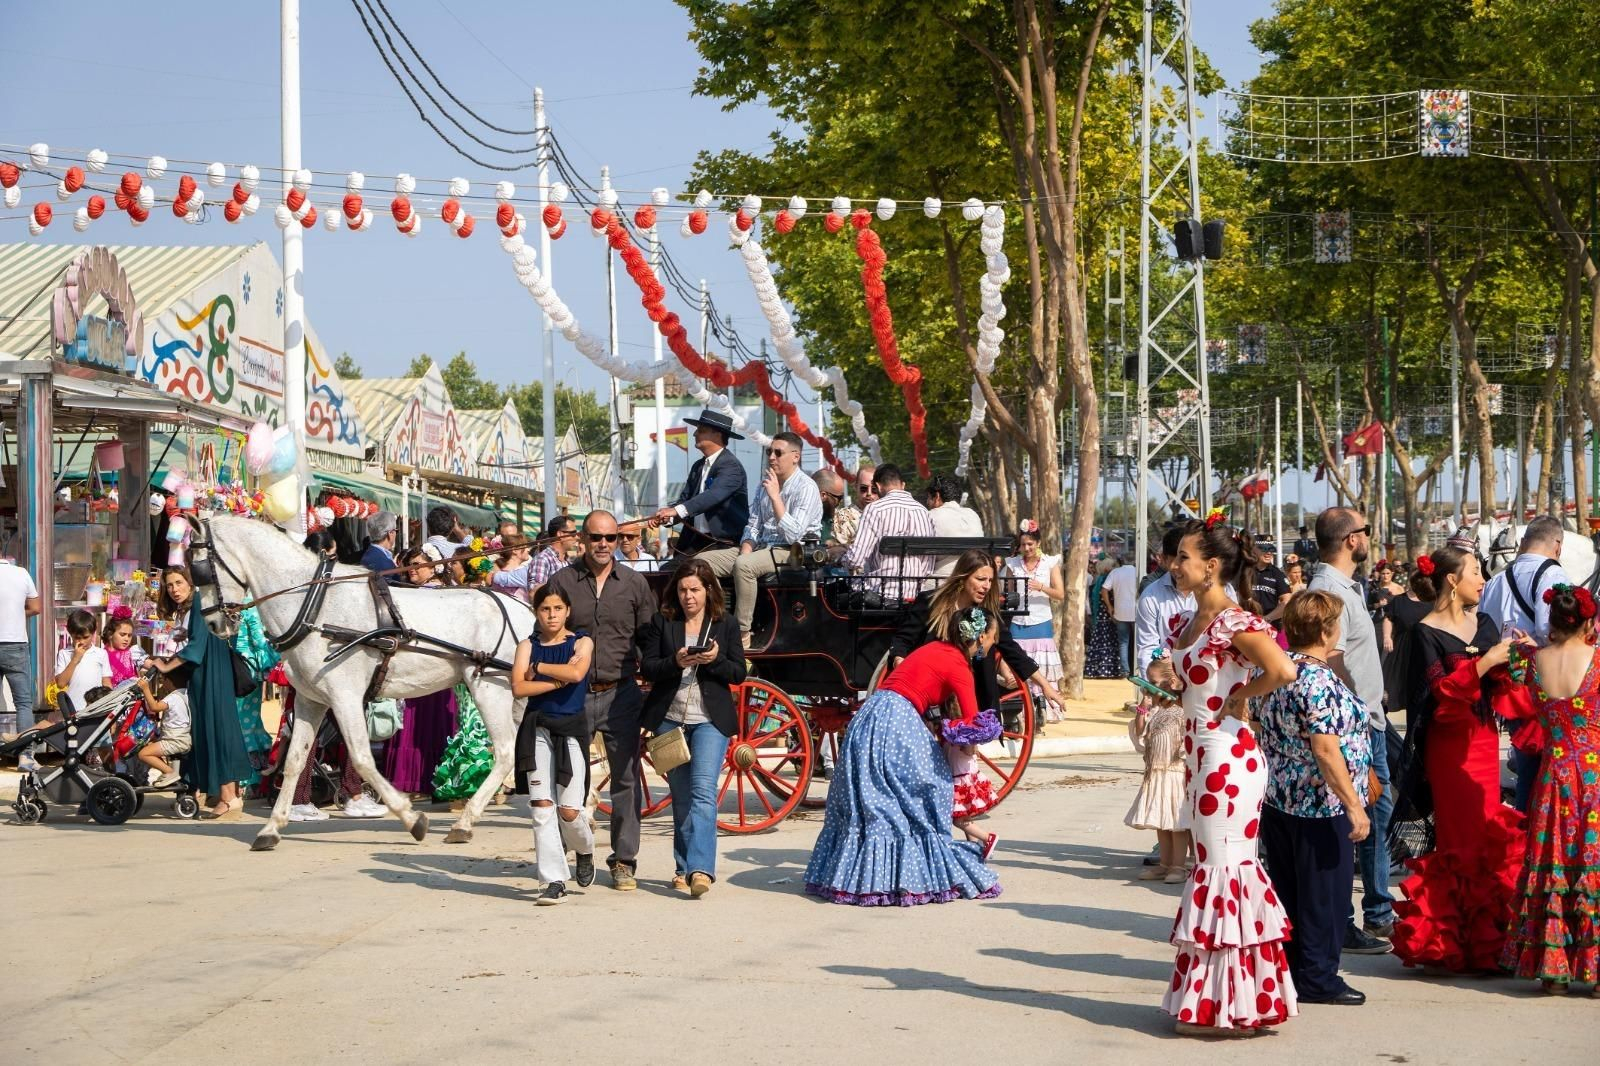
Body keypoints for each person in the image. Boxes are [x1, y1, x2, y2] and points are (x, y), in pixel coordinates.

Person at [1146, 512, 1298, 1036]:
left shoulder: (1236, 621)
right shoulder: (1191, 622)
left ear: (1211, 566)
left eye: (1182, 557)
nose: (1174, 564)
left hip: (1228, 763)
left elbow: (1283, 670)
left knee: (1225, 873)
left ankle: (1233, 1005)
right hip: (1203, 760)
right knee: (1217, 872)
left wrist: (1240, 696)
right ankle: (1231, 1001)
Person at [1390, 546, 1529, 975]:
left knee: (1490, 834)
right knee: (1460, 841)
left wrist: (1514, 660)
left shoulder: (1484, 622)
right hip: (1449, 749)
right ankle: (1453, 946)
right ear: (1452, 579)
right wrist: (1485, 661)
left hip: (1485, 741)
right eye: (1475, 572)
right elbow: (1439, 699)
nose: (1483, 579)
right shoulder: (1424, 632)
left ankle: (1492, 945)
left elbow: (1498, 685)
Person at [804, 605, 1003, 906]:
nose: (991, 644)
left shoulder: (933, 648)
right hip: (898, 719)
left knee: (875, 800)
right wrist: (962, 740)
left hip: (871, 714)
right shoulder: (959, 667)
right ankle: (909, 876)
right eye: (991, 638)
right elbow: (973, 720)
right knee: (925, 791)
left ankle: (860, 878)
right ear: (979, 637)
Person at [1257, 591, 1374, 1006]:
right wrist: (1354, 805)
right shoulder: (1319, 682)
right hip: (1320, 806)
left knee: (1291, 892)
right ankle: (1319, 978)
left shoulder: (1277, 674)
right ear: (1327, 630)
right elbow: (1326, 749)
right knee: (1325, 897)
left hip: (1281, 799)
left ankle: (1294, 969)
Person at [547, 510, 655, 892]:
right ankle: (572, 852)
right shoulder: (561, 581)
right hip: (571, 694)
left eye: (611, 538)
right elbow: (544, 634)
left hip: (620, 693)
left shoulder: (635, 584)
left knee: (625, 780)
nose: (604, 545)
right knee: (569, 781)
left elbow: (649, 640)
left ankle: (623, 861)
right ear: (582, 539)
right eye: (597, 538)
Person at [1501, 583, 1600, 994]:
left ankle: (1552, 971)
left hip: (1552, 775)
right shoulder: (1598, 659)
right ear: (1589, 621)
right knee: (1592, 862)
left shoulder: (1532, 660)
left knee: (1553, 861)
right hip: (1595, 776)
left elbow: (1511, 670)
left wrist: (1525, 644)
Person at [1306, 507, 1394, 953]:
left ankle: (1377, 908)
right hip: (1352, 724)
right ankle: (1348, 917)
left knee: (1376, 811)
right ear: (1351, 540)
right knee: (1353, 816)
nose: (1368, 537)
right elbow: (1330, 657)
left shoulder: (1345, 586)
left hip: (1368, 720)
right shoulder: (1327, 589)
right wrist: (1354, 712)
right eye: (1366, 530)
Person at [638, 559, 749, 896]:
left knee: (703, 793)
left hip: (710, 721)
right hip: (670, 720)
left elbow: (738, 673)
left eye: (695, 590)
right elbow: (649, 668)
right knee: (682, 797)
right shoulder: (664, 622)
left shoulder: (724, 625)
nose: (688, 596)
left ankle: (701, 870)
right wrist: (677, 661)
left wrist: (713, 660)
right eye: (683, 590)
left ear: (708, 591)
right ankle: (683, 867)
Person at [889, 549, 1066, 714]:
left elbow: (1013, 652)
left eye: (990, 581)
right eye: (981, 579)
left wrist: (1045, 686)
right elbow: (903, 640)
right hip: (930, 688)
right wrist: (900, 661)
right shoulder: (930, 602)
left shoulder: (987, 615)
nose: (987, 586)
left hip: (973, 688)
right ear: (963, 577)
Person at [693, 431, 823, 649]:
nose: (771, 457)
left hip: (793, 552)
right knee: (699, 563)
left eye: (777, 452)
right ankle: (718, 618)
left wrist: (775, 497)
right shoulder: (765, 484)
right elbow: (753, 524)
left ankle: (742, 632)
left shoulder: (806, 487)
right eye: (769, 451)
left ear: (795, 456)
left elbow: (794, 535)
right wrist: (746, 548)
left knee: (744, 566)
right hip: (762, 547)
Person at [1478, 515, 1571, 813]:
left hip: (1504, 688)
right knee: (1539, 776)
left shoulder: (1493, 582)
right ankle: (1530, 843)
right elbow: (1555, 632)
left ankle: (1519, 838)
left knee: (1525, 766)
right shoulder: (1553, 575)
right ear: (1557, 545)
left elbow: (1483, 633)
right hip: (1541, 688)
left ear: (1522, 543)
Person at [511, 583, 596, 905]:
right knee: (542, 808)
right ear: (537, 612)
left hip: (571, 731)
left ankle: (585, 849)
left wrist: (540, 671)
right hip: (537, 731)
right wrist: (557, 679)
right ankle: (554, 880)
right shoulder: (526, 645)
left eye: (558, 608)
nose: (552, 614)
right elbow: (518, 688)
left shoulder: (582, 641)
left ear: (568, 611)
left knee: (571, 812)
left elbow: (576, 675)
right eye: (545, 609)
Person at [150, 566, 252, 820]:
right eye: (170, 585)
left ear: (190, 582)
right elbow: (202, 636)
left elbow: (195, 648)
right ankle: (223, 793)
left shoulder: (197, 602)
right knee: (215, 730)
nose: (174, 589)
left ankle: (228, 798)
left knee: (216, 731)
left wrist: (164, 665)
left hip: (210, 674)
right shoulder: (197, 602)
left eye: (178, 582)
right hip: (209, 672)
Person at [651, 407, 749, 555]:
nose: (695, 433)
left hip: (723, 543)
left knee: (693, 570)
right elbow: (685, 500)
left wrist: (676, 510)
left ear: (717, 434)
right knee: (666, 572)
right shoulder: (698, 466)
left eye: (701, 430)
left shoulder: (731, 466)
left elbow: (713, 495)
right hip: (696, 540)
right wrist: (667, 517)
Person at [843, 463, 936, 601]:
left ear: (879, 486)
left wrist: (842, 560)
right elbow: (929, 564)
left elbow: (855, 559)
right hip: (914, 594)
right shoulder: (923, 511)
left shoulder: (875, 509)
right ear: (902, 485)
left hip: (879, 593)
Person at [1124, 682, 1188, 881]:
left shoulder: (1183, 712)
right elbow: (1140, 731)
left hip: (1175, 773)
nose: (1149, 687)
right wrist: (1144, 705)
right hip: (1157, 773)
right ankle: (1165, 864)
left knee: (1176, 822)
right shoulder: (1157, 711)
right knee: (1161, 820)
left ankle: (1179, 866)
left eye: (1154, 683)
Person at [1005, 520, 1065, 725]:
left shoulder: (1050, 563)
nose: (1027, 548)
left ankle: (1043, 710)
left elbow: (1060, 593)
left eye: (1030, 544)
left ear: (1038, 543)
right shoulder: (1012, 564)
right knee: (1018, 666)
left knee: (1044, 671)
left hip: (1041, 623)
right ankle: (1020, 714)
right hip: (1018, 622)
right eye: (1023, 544)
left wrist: (1041, 587)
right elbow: (1009, 592)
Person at [230, 602, 280, 793]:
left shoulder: (242, 605)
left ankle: (249, 778)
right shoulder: (251, 605)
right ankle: (257, 777)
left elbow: (258, 639)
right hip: (248, 669)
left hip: (239, 669)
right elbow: (259, 640)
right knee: (250, 722)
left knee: (244, 723)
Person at [0, 553, 40, 747]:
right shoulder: (21, 573)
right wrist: (15, 613)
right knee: (23, 702)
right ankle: (26, 754)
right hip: (15, 644)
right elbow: (35, 607)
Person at [134, 665, 191, 788]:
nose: (161, 684)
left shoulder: (173, 697)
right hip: (181, 738)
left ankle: (170, 772)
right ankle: (168, 773)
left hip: (174, 740)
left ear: (169, 681)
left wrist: (145, 689)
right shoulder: (184, 694)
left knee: (143, 754)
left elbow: (155, 707)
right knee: (149, 746)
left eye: (162, 681)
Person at [495, 516, 574, 598]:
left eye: (514, 535)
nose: (528, 549)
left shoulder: (529, 560)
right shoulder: (540, 560)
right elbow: (534, 594)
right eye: (508, 537)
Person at [52, 609, 112, 714]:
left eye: (85, 637)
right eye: (77, 638)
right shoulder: (64, 653)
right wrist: (75, 659)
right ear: (70, 634)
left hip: (96, 708)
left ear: (93, 633)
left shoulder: (100, 653)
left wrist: (109, 706)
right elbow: (61, 683)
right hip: (72, 707)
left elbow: (106, 682)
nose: (82, 642)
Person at [925, 474, 985, 578]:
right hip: (973, 577)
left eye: (929, 498)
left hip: (942, 581)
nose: (927, 502)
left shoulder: (931, 515)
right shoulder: (972, 514)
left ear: (937, 497)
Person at [1085, 556, 1123, 679]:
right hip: (1108, 615)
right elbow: (1108, 596)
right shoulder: (1106, 580)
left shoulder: (1098, 580)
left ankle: (1096, 669)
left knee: (1099, 641)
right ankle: (1108, 669)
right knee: (1109, 641)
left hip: (1100, 616)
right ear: (1107, 568)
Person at [1103, 554, 1139, 676]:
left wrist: (1109, 606)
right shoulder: (1138, 572)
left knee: (1123, 642)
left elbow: (1104, 589)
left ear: (1121, 561)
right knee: (1138, 641)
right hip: (1137, 612)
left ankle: (1125, 670)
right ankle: (1138, 668)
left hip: (1120, 612)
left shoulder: (1115, 572)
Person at [814, 468, 859, 555]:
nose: (841, 501)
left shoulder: (841, 519)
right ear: (823, 495)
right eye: (839, 497)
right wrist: (828, 552)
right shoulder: (804, 519)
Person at [1252, 542, 1291, 629]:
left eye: (1271, 549)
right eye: (1264, 549)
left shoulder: (1277, 574)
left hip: (1269, 627)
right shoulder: (1245, 571)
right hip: (1246, 625)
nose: (1269, 553)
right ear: (1254, 549)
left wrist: (1267, 618)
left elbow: (1287, 601)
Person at [101, 608, 144, 686]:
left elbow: (149, 663)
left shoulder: (131, 652)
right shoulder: (102, 655)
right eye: (122, 634)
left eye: (129, 635)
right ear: (110, 634)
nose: (126, 639)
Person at [360, 510, 400, 577]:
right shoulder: (385, 563)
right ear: (390, 533)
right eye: (396, 531)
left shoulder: (368, 554)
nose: (396, 534)